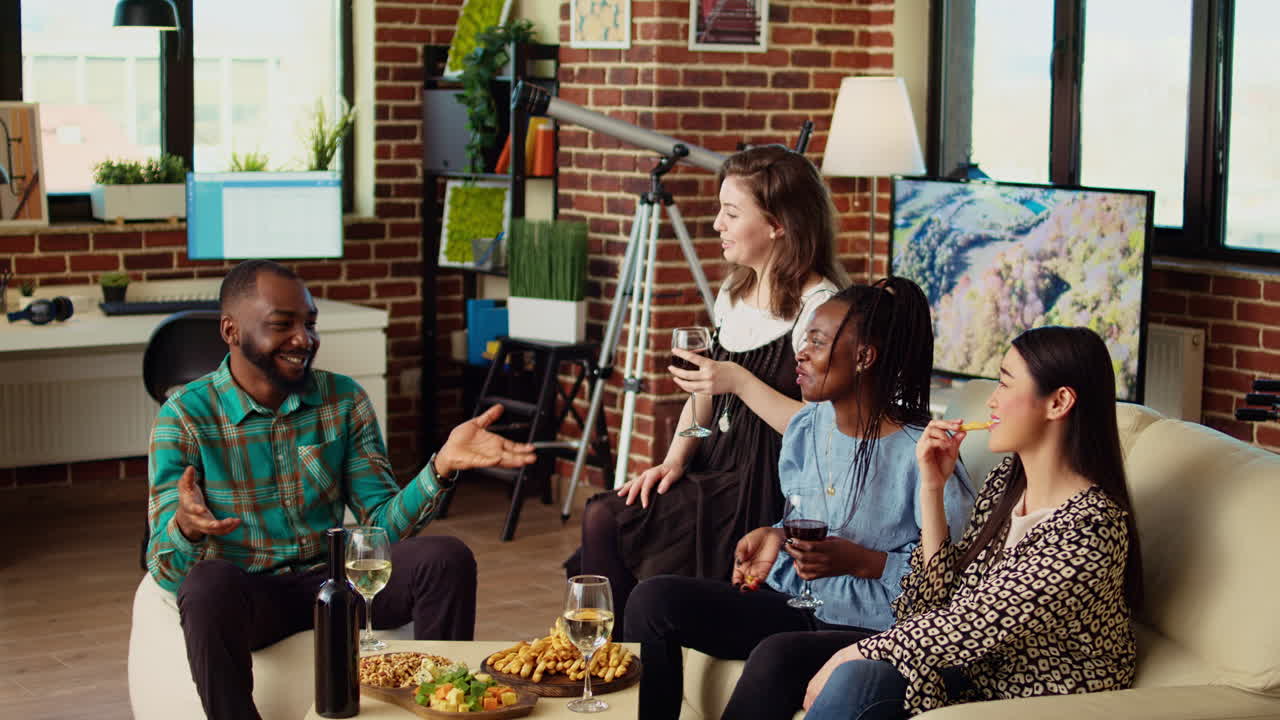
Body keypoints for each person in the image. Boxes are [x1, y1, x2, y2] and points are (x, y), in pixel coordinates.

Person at [145, 260, 536, 720]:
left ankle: (445, 706)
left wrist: (441, 466)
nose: (303, 339)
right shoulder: (184, 417)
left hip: (336, 582)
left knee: (444, 557)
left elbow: (383, 526)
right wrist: (186, 530)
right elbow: (166, 571)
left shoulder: (343, 400)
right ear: (231, 330)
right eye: (282, 324)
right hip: (249, 595)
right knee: (206, 585)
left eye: (309, 324)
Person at [625, 277, 977, 719]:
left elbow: (958, 585)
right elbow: (798, 516)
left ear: (864, 357)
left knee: (777, 654)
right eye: (804, 338)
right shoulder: (808, 427)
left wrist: (860, 561)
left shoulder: (923, 454)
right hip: (799, 603)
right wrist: (774, 535)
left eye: (817, 340)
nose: (801, 352)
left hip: (872, 625)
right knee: (652, 601)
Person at [567, 144, 849, 631]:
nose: (716, 223)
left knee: (609, 521)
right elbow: (703, 396)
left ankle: (620, 655)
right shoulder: (734, 291)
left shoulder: (821, 308)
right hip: (713, 464)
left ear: (778, 224)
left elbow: (819, 429)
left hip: (769, 484)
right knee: (609, 514)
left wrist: (737, 380)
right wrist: (675, 460)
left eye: (731, 212)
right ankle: (613, 655)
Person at [801, 326, 1143, 720]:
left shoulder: (1090, 530)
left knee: (855, 676)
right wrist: (931, 488)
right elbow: (929, 607)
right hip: (966, 675)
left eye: (1004, 384)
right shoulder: (1006, 486)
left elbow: (971, 625)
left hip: (1020, 702)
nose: (992, 401)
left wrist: (854, 652)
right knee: (783, 655)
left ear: (1059, 402)